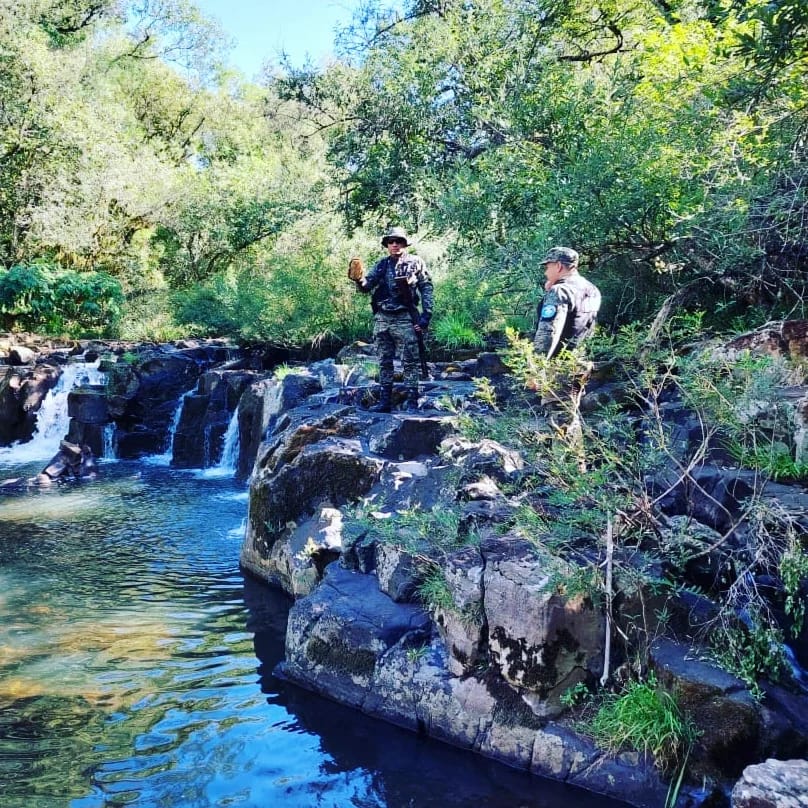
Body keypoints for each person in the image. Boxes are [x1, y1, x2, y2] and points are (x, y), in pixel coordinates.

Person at [350, 227, 434, 412]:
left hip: (405, 316)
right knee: (384, 360)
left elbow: (426, 287)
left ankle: (412, 402)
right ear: (387, 245)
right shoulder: (382, 264)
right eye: (391, 241)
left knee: (410, 360)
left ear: (404, 243)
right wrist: (358, 279)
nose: (394, 244)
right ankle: (385, 402)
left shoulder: (416, 262)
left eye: (398, 241)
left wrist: (426, 315)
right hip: (383, 318)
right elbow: (367, 286)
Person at [534, 246, 601, 358]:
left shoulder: (561, 290)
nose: (545, 273)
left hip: (556, 364)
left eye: (547, 267)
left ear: (559, 266)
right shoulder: (593, 289)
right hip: (579, 361)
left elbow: (549, 332)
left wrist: (536, 365)